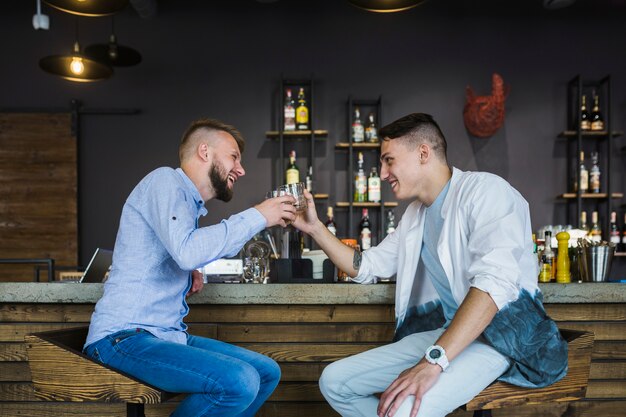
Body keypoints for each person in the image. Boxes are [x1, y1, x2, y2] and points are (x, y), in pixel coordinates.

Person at [292, 113, 567, 417]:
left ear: (423, 153)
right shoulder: (415, 216)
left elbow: (493, 285)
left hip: (501, 339)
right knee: (335, 382)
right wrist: (315, 228)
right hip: (451, 331)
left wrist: (433, 360)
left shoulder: (487, 191)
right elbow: (367, 265)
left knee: (401, 410)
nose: (382, 173)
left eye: (388, 160)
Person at [84, 118, 297, 417]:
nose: (241, 169)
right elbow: (186, 251)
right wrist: (258, 215)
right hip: (122, 338)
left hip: (164, 335)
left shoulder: (186, 203)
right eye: (234, 156)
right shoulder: (165, 181)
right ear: (205, 151)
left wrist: (187, 271)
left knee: (265, 372)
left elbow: (181, 252)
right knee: (239, 381)